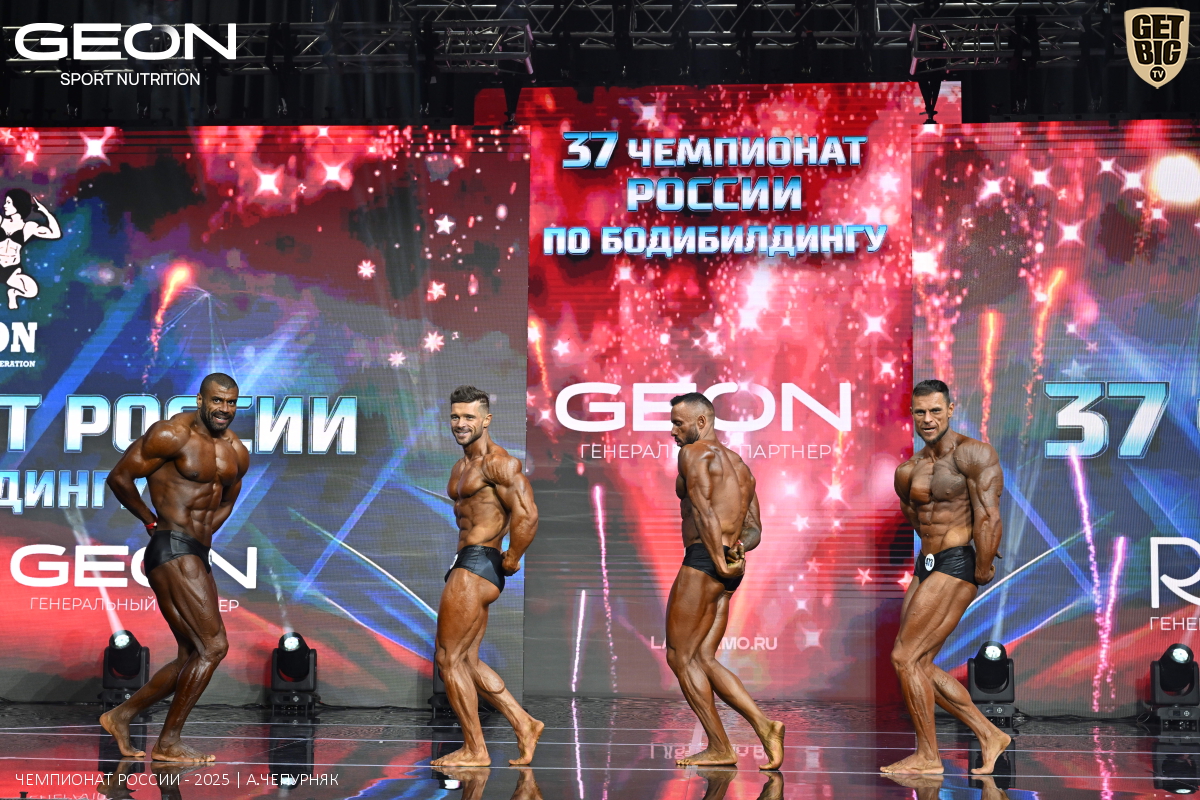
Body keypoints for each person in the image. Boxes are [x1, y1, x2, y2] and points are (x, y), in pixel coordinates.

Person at [99, 373, 249, 762]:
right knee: (214, 646)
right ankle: (168, 742)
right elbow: (120, 477)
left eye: (231, 402)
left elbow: (228, 500)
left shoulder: (236, 450)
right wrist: (151, 521)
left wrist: (205, 534)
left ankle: (121, 715)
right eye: (217, 400)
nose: (224, 409)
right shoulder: (171, 434)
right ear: (200, 399)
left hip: (196, 551)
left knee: (190, 655)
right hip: (170, 545)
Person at [884, 379, 1010, 775]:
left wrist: (982, 565)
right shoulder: (908, 470)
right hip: (926, 564)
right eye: (920, 412)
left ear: (951, 410)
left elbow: (988, 515)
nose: (928, 419)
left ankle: (928, 757)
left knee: (905, 657)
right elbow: (916, 518)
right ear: (912, 414)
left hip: (957, 562)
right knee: (917, 663)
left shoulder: (973, 454)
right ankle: (990, 735)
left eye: (936, 411)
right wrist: (932, 553)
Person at [666, 393, 786, 770]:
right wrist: (734, 552)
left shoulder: (694, 453)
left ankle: (720, 746)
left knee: (679, 656)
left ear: (701, 423)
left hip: (705, 560)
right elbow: (754, 530)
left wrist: (717, 559)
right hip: (728, 566)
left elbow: (702, 509)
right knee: (703, 657)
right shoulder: (741, 468)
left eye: (678, 423)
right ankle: (765, 726)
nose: (673, 431)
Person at [432, 385, 544, 767]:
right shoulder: (460, 467)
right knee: (466, 660)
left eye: (469, 417)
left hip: (478, 562)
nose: (460, 423)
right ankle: (524, 724)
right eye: (455, 416)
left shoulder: (499, 464)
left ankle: (476, 750)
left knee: (448, 659)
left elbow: (527, 513)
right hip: (468, 560)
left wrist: (513, 555)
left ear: (486, 420)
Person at [1, 188, 60, 310]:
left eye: (9, 203)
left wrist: (45, 212)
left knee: (32, 291)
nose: (5, 206)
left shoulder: (28, 227)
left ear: (18, 204)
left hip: (11, 270)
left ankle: (13, 293)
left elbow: (55, 234)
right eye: (5, 202)